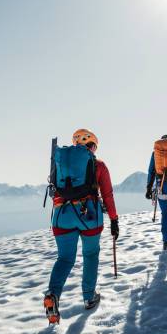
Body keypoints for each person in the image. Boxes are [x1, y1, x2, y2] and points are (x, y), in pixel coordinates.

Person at [44, 129, 119, 323]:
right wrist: (114, 219)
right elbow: (108, 194)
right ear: (92, 146)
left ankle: (52, 295)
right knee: (90, 254)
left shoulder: (60, 162)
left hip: (62, 216)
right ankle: (88, 297)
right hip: (89, 216)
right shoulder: (98, 164)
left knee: (65, 258)